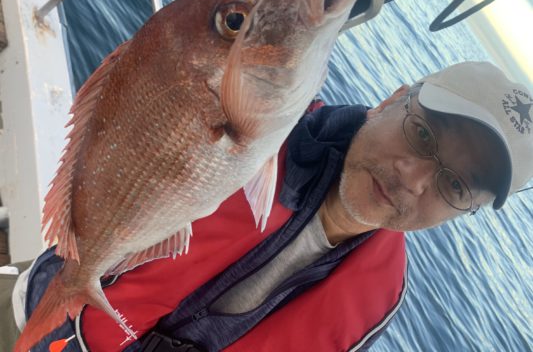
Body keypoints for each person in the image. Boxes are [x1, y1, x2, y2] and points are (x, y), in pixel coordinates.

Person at [4, 61, 532, 352]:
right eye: (423, 134)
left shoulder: (378, 299)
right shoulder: (249, 130)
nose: (413, 180)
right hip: (36, 315)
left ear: (462, 213)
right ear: (392, 100)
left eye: (455, 185)